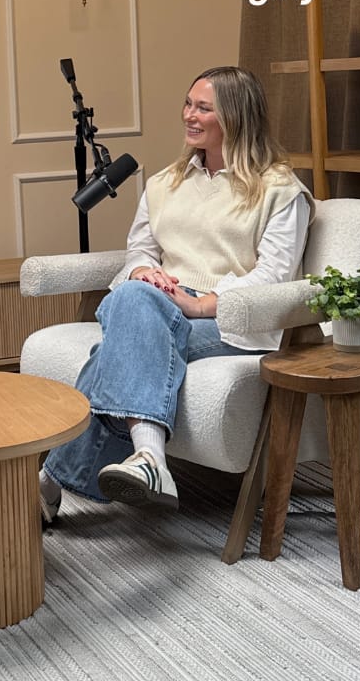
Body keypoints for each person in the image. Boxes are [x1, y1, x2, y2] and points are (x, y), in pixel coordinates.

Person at [38, 65, 314, 525]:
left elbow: (274, 277)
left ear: (236, 117)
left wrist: (201, 304)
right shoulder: (166, 182)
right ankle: (150, 459)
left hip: (232, 318)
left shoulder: (281, 191)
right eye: (188, 103)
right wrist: (144, 272)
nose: (188, 114)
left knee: (117, 342)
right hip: (160, 303)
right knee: (135, 298)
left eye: (203, 108)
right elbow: (139, 251)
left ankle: (51, 481)